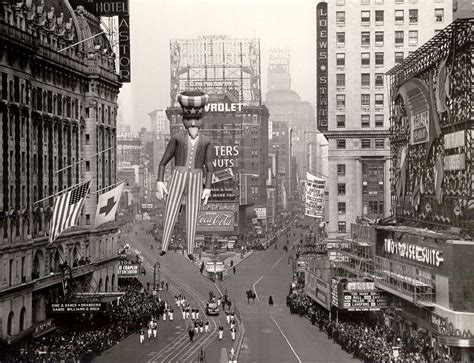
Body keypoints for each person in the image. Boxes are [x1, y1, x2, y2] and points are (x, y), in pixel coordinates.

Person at [157, 91, 213, 259]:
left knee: (193, 211)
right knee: (171, 207)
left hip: (196, 177)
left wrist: (207, 188)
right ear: (184, 120)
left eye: (197, 119)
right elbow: (163, 161)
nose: (193, 123)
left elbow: (209, 167)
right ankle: (164, 245)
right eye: (189, 119)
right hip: (178, 174)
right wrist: (160, 181)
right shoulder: (177, 138)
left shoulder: (206, 141)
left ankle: (190, 249)